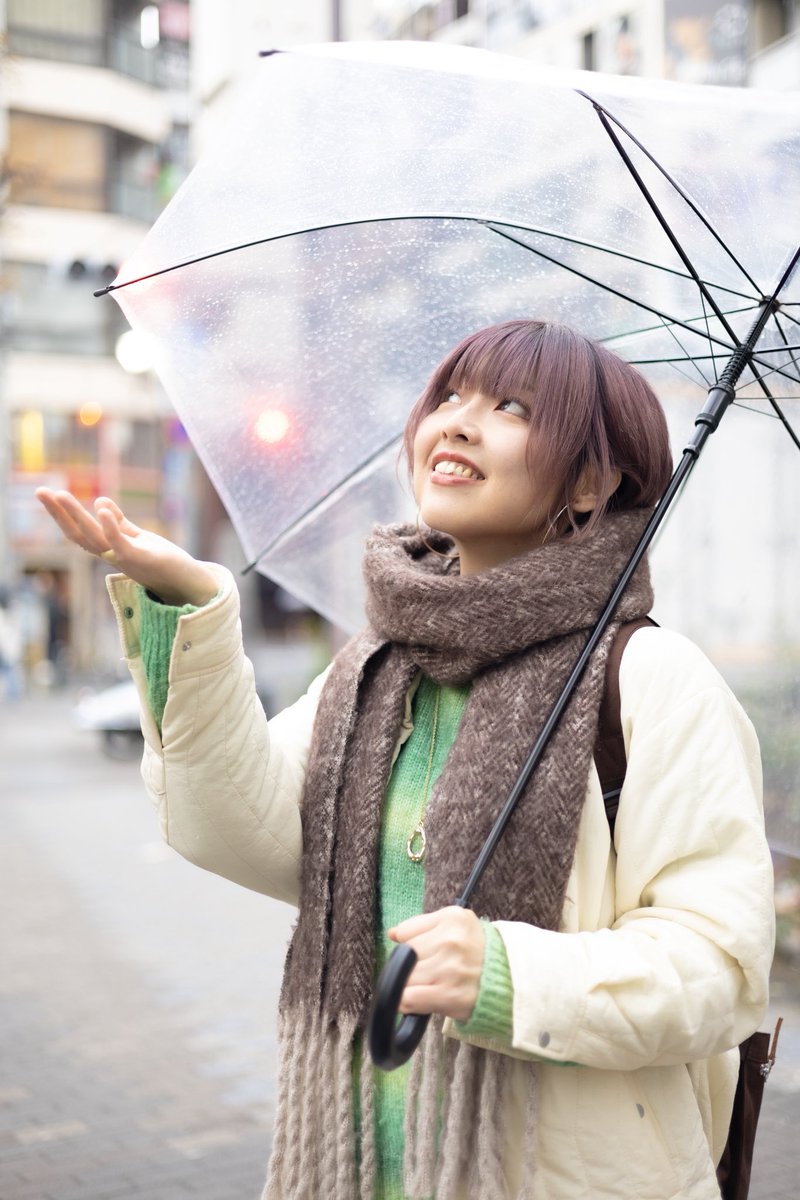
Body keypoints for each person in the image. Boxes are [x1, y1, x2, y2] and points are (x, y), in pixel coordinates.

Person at [37, 320, 774, 1200]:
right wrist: (188, 604)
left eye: (511, 408)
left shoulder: (652, 680)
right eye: (449, 397)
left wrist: (505, 976)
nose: (456, 422)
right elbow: (234, 825)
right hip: (359, 1167)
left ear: (590, 481)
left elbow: (719, 969)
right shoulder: (376, 666)